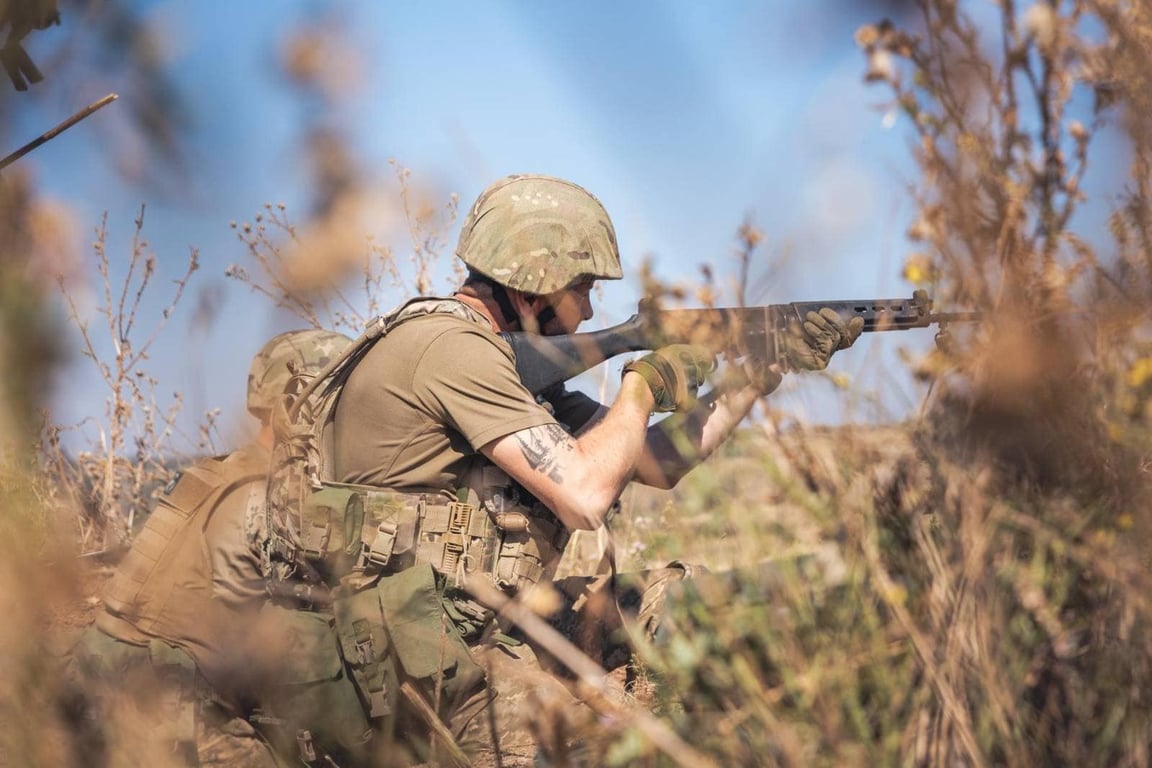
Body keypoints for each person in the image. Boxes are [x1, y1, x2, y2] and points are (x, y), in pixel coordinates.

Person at [259, 174, 864, 765]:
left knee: (703, 609)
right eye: (583, 290)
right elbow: (585, 495)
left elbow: (653, 462)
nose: (591, 308)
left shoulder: (498, 364)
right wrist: (644, 382)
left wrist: (756, 374)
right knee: (607, 751)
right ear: (533, 291)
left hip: (487, 623)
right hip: (409, 665)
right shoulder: (453, 351)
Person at [67, 328, 351, 767]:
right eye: (338, 404)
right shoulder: (269, 494)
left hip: (99, 678)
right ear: (301, 406)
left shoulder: (216, 472)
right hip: (163, 706)